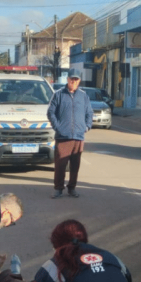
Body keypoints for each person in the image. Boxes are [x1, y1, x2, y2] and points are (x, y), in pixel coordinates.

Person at [47, 70, 93, 198]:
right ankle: (58, 188)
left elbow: (89, 113)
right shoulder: (59, 95)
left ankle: (72, 187)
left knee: (75, 165)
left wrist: (87, 126)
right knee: (60, 164)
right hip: (63, 137)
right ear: (67, 79)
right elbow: (51, 112)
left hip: (78, 136)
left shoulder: (83, 96)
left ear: (79, 81)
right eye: (72, 79)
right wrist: (58, 127)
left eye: (76, 79)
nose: (74, 82)